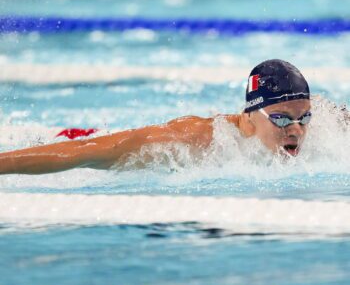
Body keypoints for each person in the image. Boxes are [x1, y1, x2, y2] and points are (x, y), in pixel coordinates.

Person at [0, 59, 311, 175]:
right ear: (250, 113)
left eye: (304, 118)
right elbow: (81, 153)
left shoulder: (314, 122)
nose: (296, 130)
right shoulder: (198, 139)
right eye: (282, 119)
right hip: (77, 140)